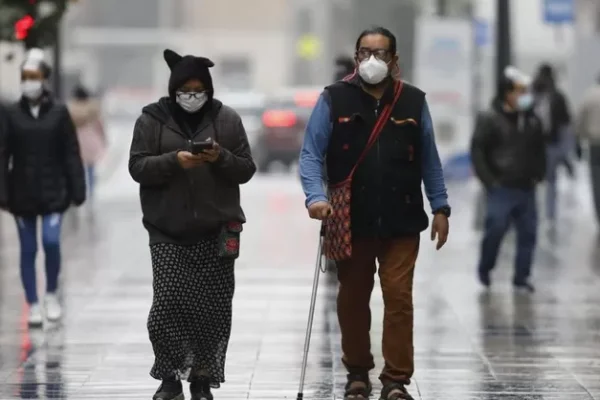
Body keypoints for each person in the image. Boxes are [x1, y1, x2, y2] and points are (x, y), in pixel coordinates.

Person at [299, 27, 450, 400]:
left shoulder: (413, 102)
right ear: (355, 58)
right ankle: (357, 372)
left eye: (380, 53)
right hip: (350, 218)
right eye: (365, 52)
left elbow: (430, 158)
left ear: (394, 61)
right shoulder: (334, 99)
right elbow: (311, 154)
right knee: (352, 298)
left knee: (399, 297)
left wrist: (440, 206)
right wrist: (315, 197)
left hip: (402, 218)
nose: (372, 60)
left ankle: (396, 380)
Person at [128, 49, 256, 400]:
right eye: (185, 89)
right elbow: (137, 166)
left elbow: (246, 168)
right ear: (173, 90)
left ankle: (201, 376)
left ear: (209, 90)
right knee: (168, 303)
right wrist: (174, 161)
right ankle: (169, 375)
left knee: (212, 309)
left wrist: (221, 158)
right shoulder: (151, 120)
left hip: (218, 229)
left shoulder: (226, 120)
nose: (192, 95)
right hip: (166, 229)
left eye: (199, 89)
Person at [0, 48, 86, 326]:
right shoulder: (11, 113)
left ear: (44, 78)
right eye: (25, 76)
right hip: (22, 193)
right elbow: (3, 153)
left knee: (50, 242)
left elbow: (71, 152)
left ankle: (50, 294)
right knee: (28, 249)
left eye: (34, 76)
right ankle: (33, 303)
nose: (29, 81)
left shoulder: (59, 112)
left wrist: (77, 188)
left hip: (53, 191)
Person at [471, 66, 546, 293]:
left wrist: (538, 174)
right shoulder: (490, 119)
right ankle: (486, 267)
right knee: (496, 229)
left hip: (526, 187)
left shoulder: (532, 121)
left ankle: (521, 278)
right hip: (501, 186)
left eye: (526, 91)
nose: (524, 96)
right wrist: (489, 181)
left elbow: (539, 150)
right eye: (519, 91)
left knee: (528, 233)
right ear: (506, 92)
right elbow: (478, 151)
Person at [532, 63, 573, 224]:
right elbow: (565, 123)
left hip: (537, 144)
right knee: (551, 181)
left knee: (537, 180)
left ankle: (542, 214)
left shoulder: (533, 95)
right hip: (550, 144)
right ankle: (549, 214)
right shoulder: (557, 96)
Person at [67, 84, 107, 200]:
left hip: (76, 142)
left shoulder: (71, 110)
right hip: (91, 142)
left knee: (77, 169)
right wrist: (104, 139)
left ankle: (78, 191)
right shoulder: (93, 109)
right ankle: (91, 192)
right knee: (90, 169)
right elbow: (100, 126)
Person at [575, 73, 600, 224]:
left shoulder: (589, 96)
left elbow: (579, 120)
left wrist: (578, 140)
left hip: (594, 145)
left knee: (596, 182)